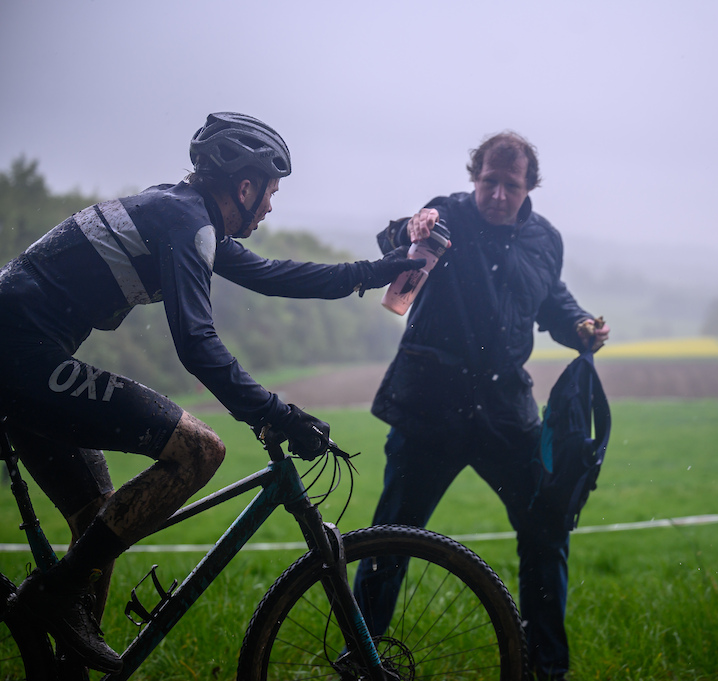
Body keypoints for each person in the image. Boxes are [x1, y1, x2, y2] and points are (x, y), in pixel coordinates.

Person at [0, 112, 423, 674]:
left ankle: (63, 653)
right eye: (271, 191)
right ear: (244, 187)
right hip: (20, 357)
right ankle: (51, 600)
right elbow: (197, 343)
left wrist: (377, 270)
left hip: (21, 356)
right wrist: (273, 411)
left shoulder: (182, 213)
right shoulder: (186, 221)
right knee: (199, 451)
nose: (272, 205)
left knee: (97, 516)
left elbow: (275, 274)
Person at [354, 131, 610, 680]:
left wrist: (582, 326)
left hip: (505, 412)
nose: (497, 194)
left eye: (509, 185)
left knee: (546, 532)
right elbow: (395, 236)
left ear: (529, 187)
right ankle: (362, 662)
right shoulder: (445, 216)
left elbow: (551, 300)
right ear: (474, 177)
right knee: (389, 539)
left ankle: (545, 670)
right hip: (429, 407)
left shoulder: (545, 240)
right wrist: (410, 228)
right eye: (488, 181)